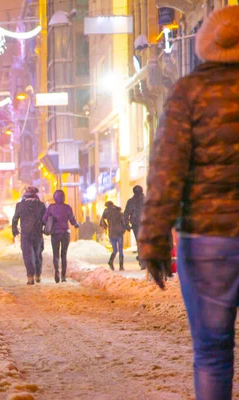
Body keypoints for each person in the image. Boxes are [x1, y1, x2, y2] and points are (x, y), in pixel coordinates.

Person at [138, 9, 239, 399]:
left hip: (207, 241)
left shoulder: (188, 93)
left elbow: (166, 172)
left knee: (212, 354)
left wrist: (153, 242)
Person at [12, 187, 47, 285]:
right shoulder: (41, 205)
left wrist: (15, 230)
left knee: (27, 254)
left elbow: (15, 219)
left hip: (25, 233)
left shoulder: (20, 205)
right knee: (37, 254)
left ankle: (30, 277)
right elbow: (45, 220)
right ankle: (38, 275)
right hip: (38, 233)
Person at [43, 190, 79, 283]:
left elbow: (44, 219)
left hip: (55, 233)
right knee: (64, 254)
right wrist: (76, 224)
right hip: (65, 233)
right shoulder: (67, 208)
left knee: (55, 254)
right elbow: (72, 219)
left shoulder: (51, 207)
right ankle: (63, 276)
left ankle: (56, 271)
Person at [100, 201, 127, 271]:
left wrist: (105, 226)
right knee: (120, 250)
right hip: (119, 232)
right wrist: (125, 228)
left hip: (111, 232)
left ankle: (110, 261)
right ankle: (121, 266)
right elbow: (124, 221)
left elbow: (102, 220)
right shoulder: (118, 211)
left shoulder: (106, 212)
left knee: (115, 249)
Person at [124, 185, 146, 270]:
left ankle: (142, 260)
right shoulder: (146, 200)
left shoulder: (130, 201)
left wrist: (127, 225)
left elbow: (126, 214)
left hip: (136, 225)